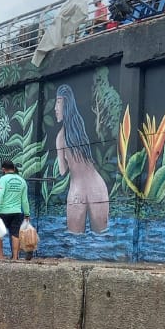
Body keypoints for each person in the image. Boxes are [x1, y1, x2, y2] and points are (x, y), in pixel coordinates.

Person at [53, 84, 110, 233]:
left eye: (58, 102)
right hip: (98, 187)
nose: (55, 108)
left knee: (75, 240)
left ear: (66, 105)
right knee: (101, 239)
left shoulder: (61, 137)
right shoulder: (80, 128)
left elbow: (62, 171)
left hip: (77, 192)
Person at [0, 160, 30, 260]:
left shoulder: (3, 179)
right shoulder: (22, 181)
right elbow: (24, 200)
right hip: (17, 212)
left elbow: (0, 194)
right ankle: (15, 258)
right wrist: (27, 214)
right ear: (13, 168)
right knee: (15, 234)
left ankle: (1, 257)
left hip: (3, 212)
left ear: (3, 169)